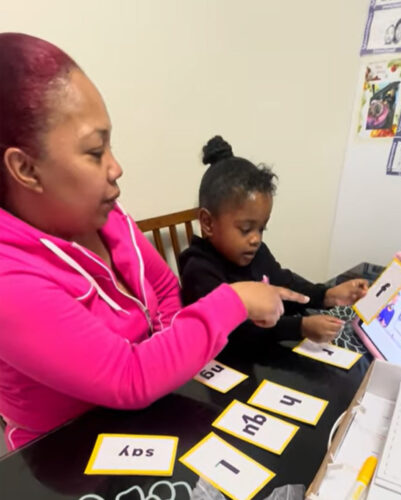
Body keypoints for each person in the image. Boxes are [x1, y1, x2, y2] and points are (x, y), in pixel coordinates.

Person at [0, 33, 308, 451]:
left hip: (152, 412)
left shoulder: (104, 214)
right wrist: (234, 301)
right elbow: (128, 377)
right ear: (26, 169)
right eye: (95, 151)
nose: (116, 167)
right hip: (67, 454)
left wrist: (166, 351)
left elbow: (163, 288)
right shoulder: (8, 279)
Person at [179, 136, 368, 346]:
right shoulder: (198, 270)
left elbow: (285, 284)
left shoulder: (256, 253)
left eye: (262, 228)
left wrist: (326, 295)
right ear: (207, 223)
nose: (256, 239)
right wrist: (301, 327)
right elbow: (237, 332)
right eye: (245, 229)